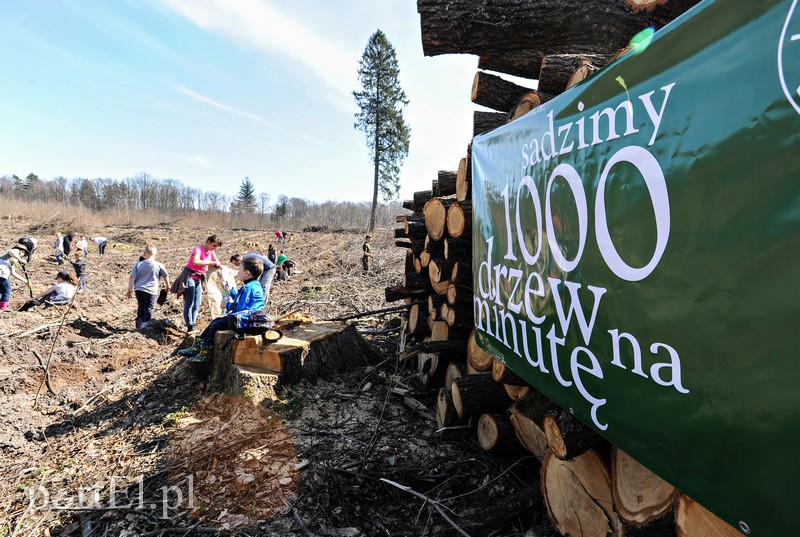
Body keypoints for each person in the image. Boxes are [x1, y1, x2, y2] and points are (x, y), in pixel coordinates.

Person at [178, 257, 265, 363]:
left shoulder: (249, 287)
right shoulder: (253, 285)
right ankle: (197, 347)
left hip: (245, 321)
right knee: (215, 321)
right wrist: (230, 290)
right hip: (247, 318)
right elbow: (240, 298)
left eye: (240, 269)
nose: (238, 272)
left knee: (215, 325)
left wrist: (227, 305)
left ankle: (206, 353)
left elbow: (240, 307)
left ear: (246, 273)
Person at [170, 235, 222, 333]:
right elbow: (196, 261)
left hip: (199, 278)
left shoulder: (211, 251)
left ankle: (193, 323)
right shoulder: (198, 249)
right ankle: (190, 326)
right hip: (189, 276)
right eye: (214, 245)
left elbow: (217, 262)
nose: (214, 248)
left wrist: (218, 265)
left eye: (216, 247)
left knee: (197, 303)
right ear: (209, 242)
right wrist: (210, 262)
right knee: (190, 302)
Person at [127, 244, 170, 329]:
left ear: (144, 254)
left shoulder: (138, 264)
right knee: (149, 308)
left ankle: (139, 324)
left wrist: (130, 290)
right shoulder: (159, 265)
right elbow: (165, 276)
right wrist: (167, 286)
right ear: (156, 254)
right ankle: (146, 326)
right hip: (151, 291)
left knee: (141, 306)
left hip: (139, 290)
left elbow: (132, 277)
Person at [0, 244, 30, 311]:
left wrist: (25, 281)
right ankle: (3, 309)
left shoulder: (11, 260)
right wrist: (21, 260)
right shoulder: (16, 250)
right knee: (6, 291)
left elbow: (13, 273)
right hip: (2, 270)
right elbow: (12, 252)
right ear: (22, 251)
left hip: (2, 271)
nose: (23, 256)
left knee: (1, 291)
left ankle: (1, 308)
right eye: (24, 254)